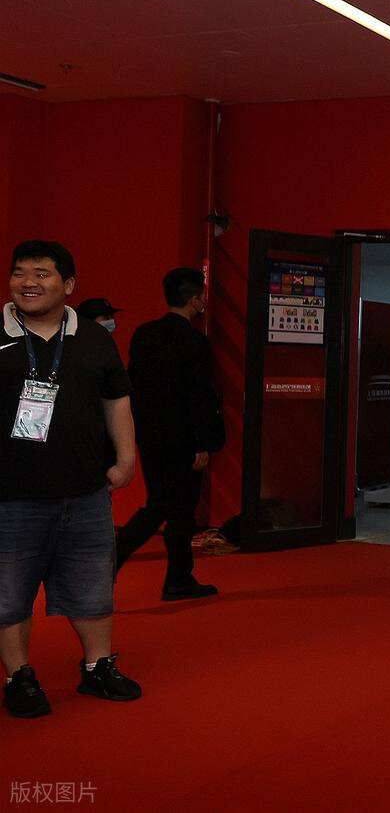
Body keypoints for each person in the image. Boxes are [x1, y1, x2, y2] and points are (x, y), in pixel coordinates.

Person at [1, 240, 141, 719]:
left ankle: (98, 666)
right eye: (20, 272)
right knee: (8, 594)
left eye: (41, 273)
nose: (28, 282)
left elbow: (116, 399)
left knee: (93, 586)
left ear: (68, 284)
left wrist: (126, 458)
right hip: (10, 495)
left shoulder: (94, 337)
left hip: (85, 491)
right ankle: (18, 676)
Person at [115, 267, 223, 601]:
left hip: (150, 434)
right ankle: (117, 558)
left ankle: (179, 577)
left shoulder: (144, 334)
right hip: (185, 438)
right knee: (174, 507)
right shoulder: (195, 342)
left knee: (169, 506)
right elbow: (199, 396)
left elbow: (134, 384)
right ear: (195, 300)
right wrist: (203, 442)